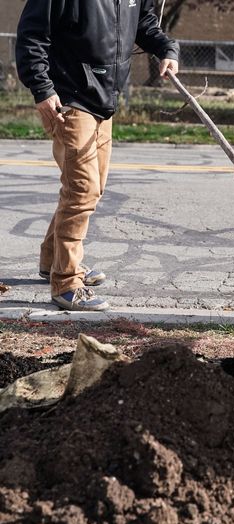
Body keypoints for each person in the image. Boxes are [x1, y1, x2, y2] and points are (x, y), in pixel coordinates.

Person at [16, 0, 179, 312]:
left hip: (104, 98)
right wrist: (42, 90)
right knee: (82, 188)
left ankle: (52, 259)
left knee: (92, 187)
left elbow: (144, 24)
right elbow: (32, 35)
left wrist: (167, 50)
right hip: (69, 98)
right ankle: (65, 281)